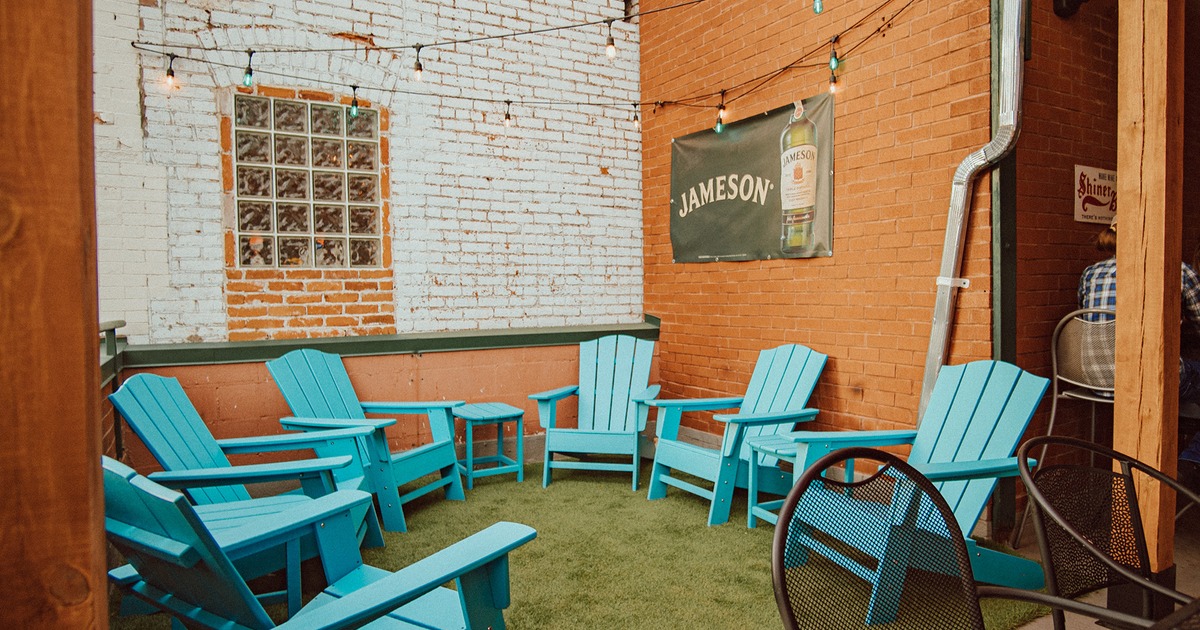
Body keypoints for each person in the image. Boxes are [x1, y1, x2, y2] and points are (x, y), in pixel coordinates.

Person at [1081, 217, 1200, 484]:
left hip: (1091, 378)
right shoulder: (1178, 270)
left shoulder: (1090, 273)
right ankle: (1190, 463)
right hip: (1143, 380)